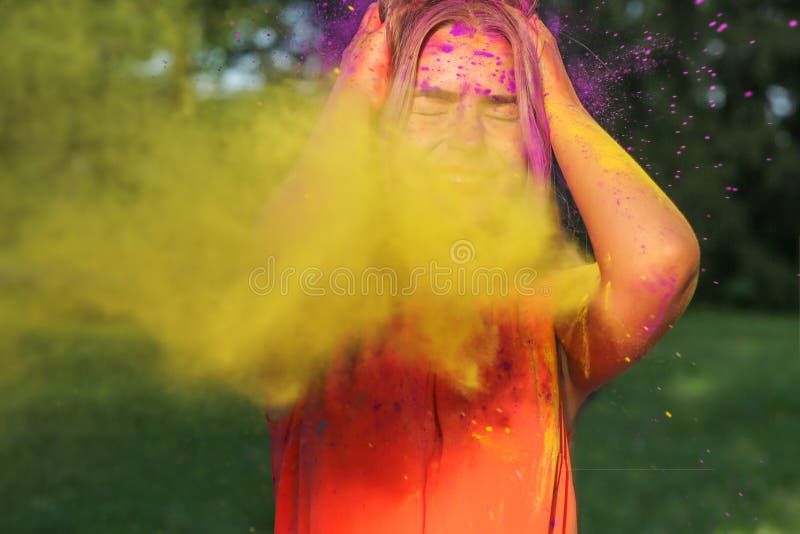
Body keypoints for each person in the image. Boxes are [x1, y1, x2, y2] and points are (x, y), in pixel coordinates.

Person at [265, 1, 700, 532]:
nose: (467, 140)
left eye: (502, 109)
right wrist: (355, 91)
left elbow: (661, 261)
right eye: (430, 104)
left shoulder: (550, 313)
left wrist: (556, 96)